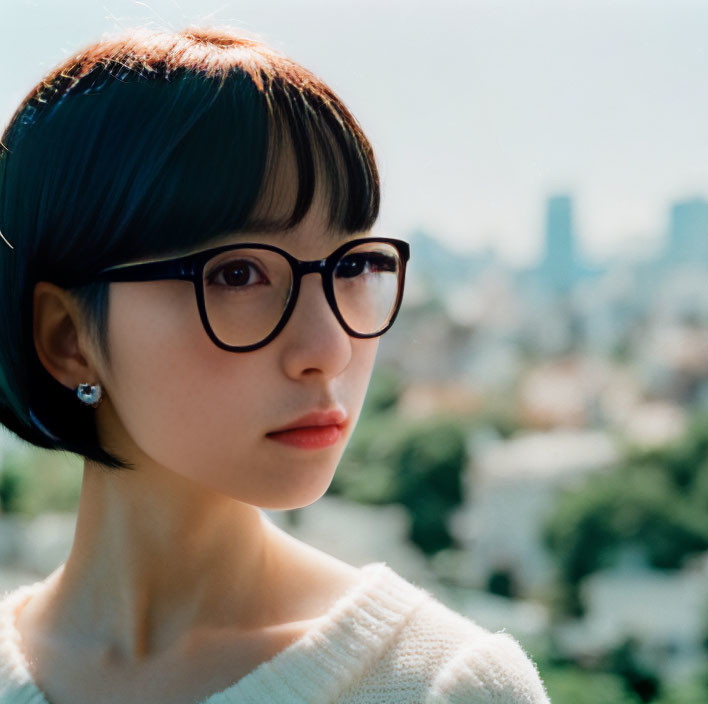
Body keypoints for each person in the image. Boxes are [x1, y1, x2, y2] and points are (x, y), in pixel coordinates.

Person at [0, 26, 550, 703]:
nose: (330, 349)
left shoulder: (442, 686)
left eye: (353, 266)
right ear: (66, 337)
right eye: (237, 274)